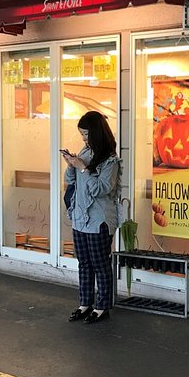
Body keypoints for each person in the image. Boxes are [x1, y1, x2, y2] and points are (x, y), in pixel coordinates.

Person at [63, 111, 122, 324]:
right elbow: (72, 181)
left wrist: (84, 169)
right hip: (80, 217)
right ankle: (84, 304)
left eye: (86, 135)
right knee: (84, 263)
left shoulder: (110, 160)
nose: (84, 139)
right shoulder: (84, 152)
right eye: (81, 135)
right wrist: (71, 165)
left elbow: (102, 189)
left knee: (100, 264)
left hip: (99, 220)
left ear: (96, 133)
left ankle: (102, 306)